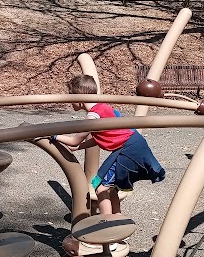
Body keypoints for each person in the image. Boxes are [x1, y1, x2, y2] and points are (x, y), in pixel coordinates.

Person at [52, 75, 165, 217]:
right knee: (105, 186)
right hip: (131, 145)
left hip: (128, 150)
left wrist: (53, 135)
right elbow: (104, 136)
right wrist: (80, 147)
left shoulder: (93, 117)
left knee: (100, 188)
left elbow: (74, 140)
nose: (69, 102)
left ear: (79, 97)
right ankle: (117, 218)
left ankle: (107, 224)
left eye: (70, 97)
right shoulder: (103, 107)